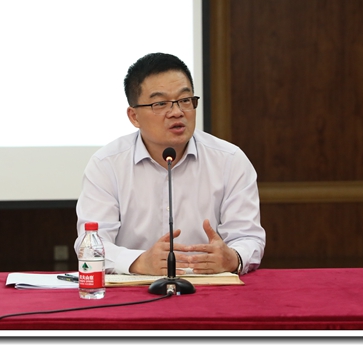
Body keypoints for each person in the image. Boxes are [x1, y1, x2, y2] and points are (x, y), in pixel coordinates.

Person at [74, 52, 265, 276]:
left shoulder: (230, 160)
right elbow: (90, 244)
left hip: (209, 286)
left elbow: (248, 237)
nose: (177, 112)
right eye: (160, 103)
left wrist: (233, 257)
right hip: (136, 288)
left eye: (185, 100)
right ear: (134, 116)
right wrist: (139, 262)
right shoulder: (106, 165)